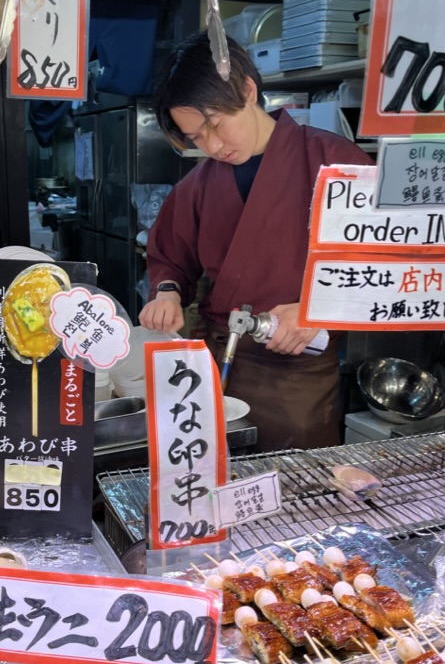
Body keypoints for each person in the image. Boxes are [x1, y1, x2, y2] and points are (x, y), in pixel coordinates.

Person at [140, 31, 374, 452]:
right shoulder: (196, 186)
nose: (212, 146)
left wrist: (318, 309)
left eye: (215, 125)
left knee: (296, 483)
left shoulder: (335, 164)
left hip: (297, 375)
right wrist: (168, 294)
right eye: (196, 138)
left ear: (248, 90)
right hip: (213, 363)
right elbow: (171, 259)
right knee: (214, 474)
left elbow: (382, 266)